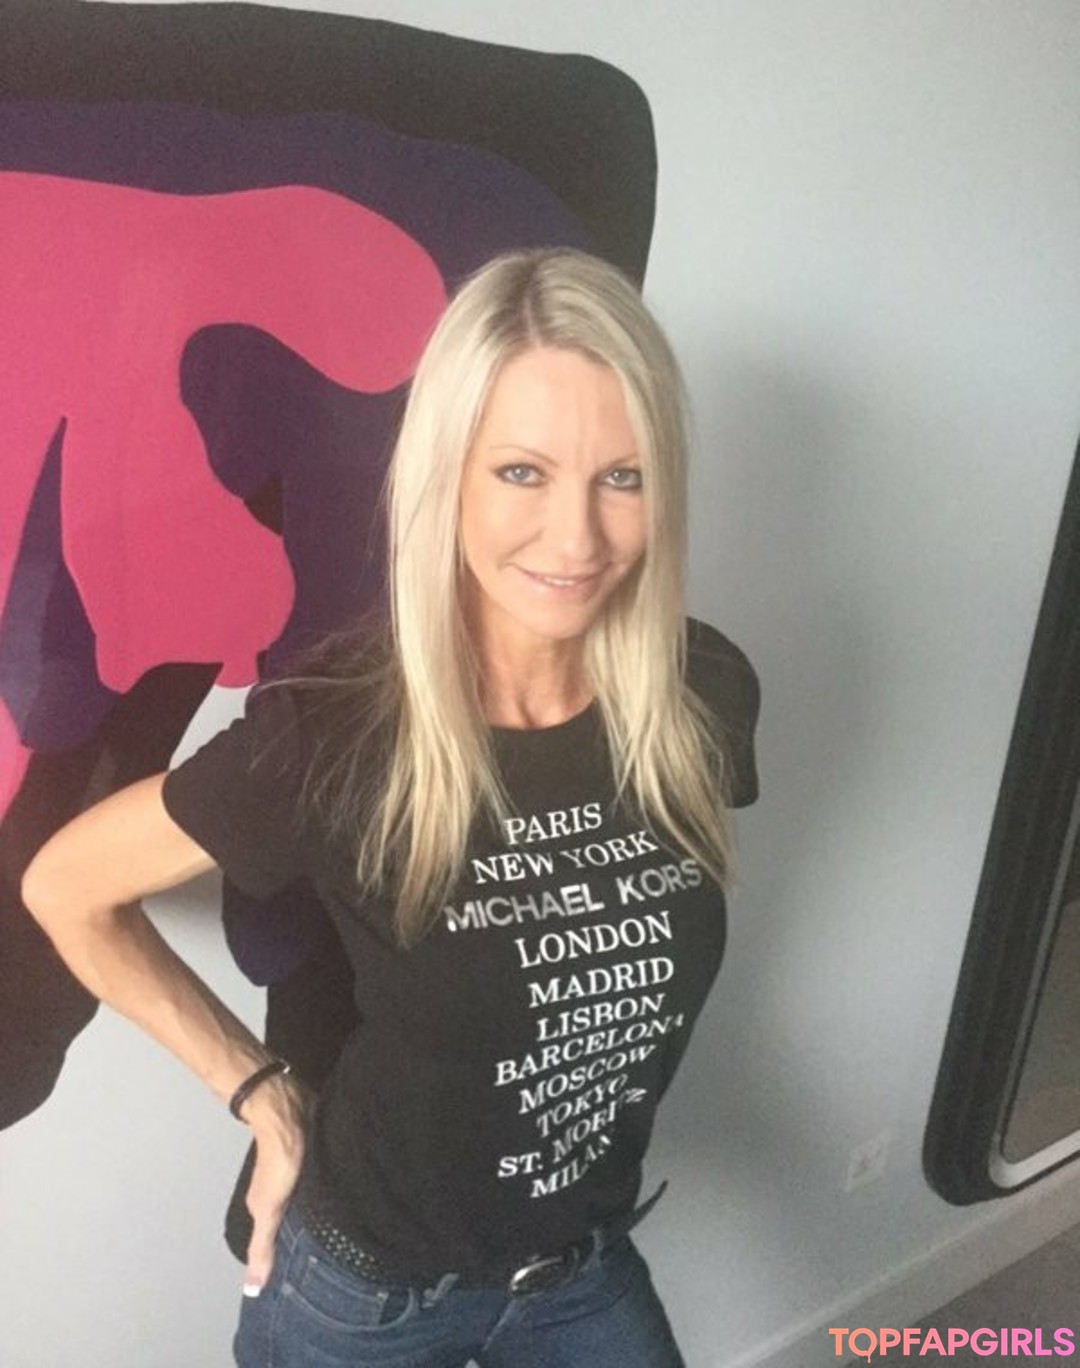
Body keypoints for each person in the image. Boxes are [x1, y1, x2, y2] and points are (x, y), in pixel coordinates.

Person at [22, 248, 760, 1367]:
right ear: (447, 474)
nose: (577, 538)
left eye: (623, 476)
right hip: (367, 1297)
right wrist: (257, 1092)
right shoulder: (337, 737)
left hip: (580, 1267)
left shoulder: (702, 695)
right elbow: (65, 887)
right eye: (522, 471)